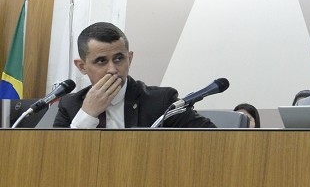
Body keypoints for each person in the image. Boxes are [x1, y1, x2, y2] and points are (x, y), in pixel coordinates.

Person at [54, 21, 215, 129]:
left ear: (129, 59)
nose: (112, 69)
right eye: (101, 61)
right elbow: (57, 158)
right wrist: (87, 115)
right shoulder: (70, 105)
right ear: (82, 66)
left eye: (119, 59)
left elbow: (214, 139)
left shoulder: (161, 102)